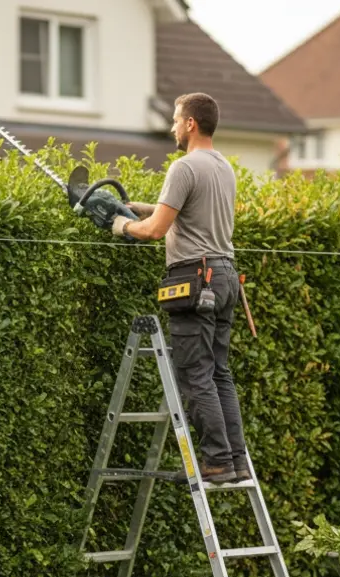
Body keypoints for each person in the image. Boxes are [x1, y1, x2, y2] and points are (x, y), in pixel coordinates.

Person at [110, 93, 248, 484]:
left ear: (190, 124)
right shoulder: (223, 167)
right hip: (224, 275)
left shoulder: (184, 167)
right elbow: (185, 212)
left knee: (196, 375)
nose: (172, 127)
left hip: (194, 278)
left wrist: (121, 226)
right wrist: (141, 207)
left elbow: (156, 232)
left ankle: (217, 462)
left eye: (175, 120)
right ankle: (234, 460)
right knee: (219, 373)